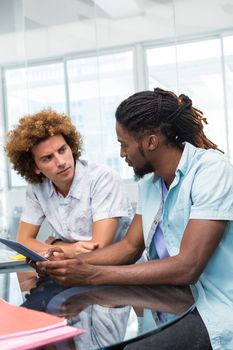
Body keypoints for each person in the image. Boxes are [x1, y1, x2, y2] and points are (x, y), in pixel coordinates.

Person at [36, 88, 233, 350]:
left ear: (150, 142)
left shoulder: (211, 171)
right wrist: (70, 262)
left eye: (123, 144)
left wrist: (91, 273)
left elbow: (188, 266)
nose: (121, 154)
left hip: (216, 308)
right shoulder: (150, 184)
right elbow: (129, 247)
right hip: (172, 301)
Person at [5, 109, 132, 255]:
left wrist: (56, 243)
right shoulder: (37, 188)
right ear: (34, 167)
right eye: (47, 158)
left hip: (117, 268)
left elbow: (98, 249)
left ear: (71, 146)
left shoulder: (103, 178)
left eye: (62, 150)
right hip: (72, 269)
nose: (61, 162)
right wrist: (68, 248)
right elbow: (23, 242)